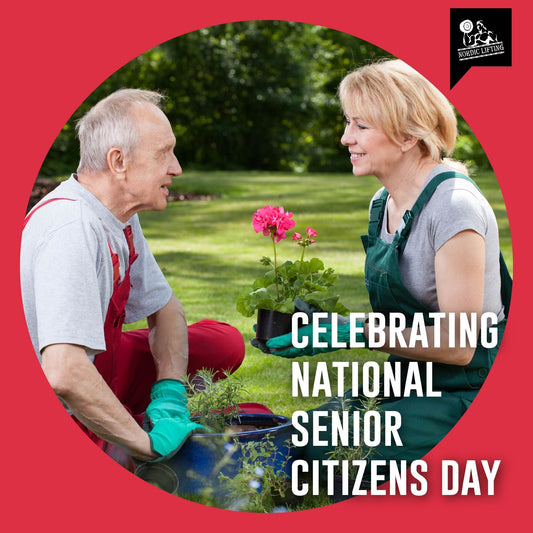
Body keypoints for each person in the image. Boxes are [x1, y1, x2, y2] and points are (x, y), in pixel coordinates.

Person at [254, 59, 511, 481]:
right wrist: (319, 330)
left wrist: (353, 331)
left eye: (360, 126)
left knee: (346, 466)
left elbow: (462, 344)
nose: (345, 138)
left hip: (468, 387)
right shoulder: (383, 202)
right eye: (347, 123)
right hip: (406, 377)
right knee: (299, 443)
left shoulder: (453, 206)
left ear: (409, 134)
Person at [21, 89, 248, 470]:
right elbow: (63, 371)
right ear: (118, 161)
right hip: (58, 396)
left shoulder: (117, 214)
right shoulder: (70, 228)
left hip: (95, 363)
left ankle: (138, 409)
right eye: (164, 153)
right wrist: (145, 443)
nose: (175, 168)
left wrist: (171, 393)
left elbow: (167, 309)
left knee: (223, 342)